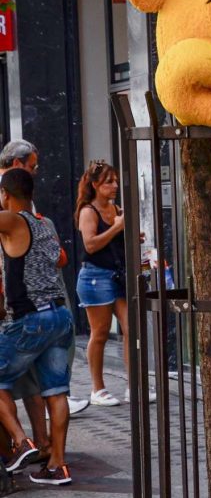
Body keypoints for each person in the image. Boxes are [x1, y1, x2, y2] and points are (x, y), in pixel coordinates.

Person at [0, 139, 89, 454]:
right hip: (60, 316)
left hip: (29, 318)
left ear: (6, 195)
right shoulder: (44, 224)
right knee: (54, 391)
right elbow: (62, 259)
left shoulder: (12, 219)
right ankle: (57, 462)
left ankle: (21, 442)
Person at [75, 160, 155, 407]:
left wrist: (130, 233)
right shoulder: (88, 211)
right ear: (95, 185)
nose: (115, 186)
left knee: (132, 328)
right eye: (109, 181)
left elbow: (116, 240)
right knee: (99, 333)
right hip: (95, 276)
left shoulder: (116, 208)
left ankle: (135, 385)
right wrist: (116, 227)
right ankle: (97, 389)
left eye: (116, 181)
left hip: (118, 275)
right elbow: (90, 244)